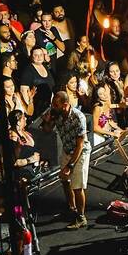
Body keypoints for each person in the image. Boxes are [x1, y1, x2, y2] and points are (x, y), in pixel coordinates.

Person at [42, 91, 91, 229]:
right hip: (67, 149)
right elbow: (47, 130)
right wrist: (47, 120)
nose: (53, 106)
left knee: (77, 186)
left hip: (80, 152)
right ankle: (72, 207)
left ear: (65, 105)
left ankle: (81, 217)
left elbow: (80, 144)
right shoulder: (55, 113)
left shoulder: (77, 117)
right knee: (64, 179)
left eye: (55, 105)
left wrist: (70, 165)